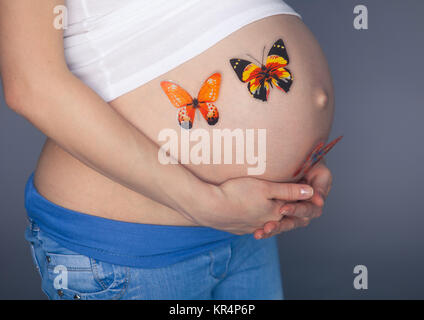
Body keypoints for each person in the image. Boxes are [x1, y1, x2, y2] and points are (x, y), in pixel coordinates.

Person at [0, 0, 334, 300]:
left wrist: (294, 165)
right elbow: (32, 85)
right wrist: (205, 202)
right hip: (130, 249)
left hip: (244, 229)